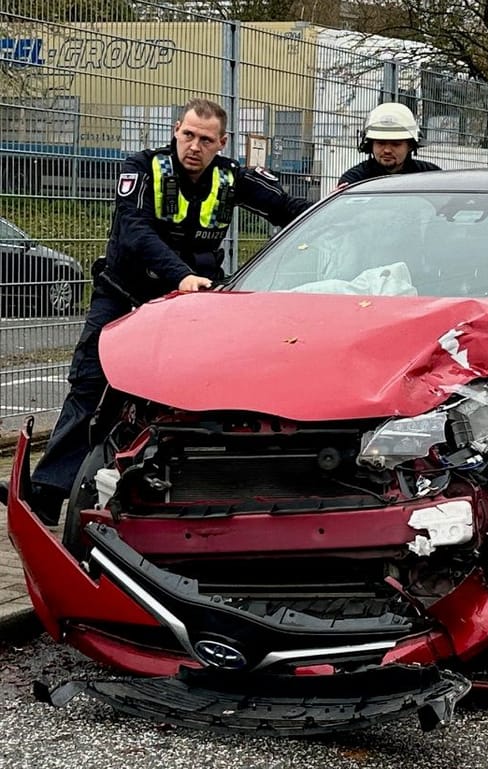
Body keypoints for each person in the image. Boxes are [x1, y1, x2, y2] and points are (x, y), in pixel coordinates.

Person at [16, 98, 312, 524]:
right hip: (124, 295)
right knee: (90, 386)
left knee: (191, 395)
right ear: (176, 130)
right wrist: (181, 274)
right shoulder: (142, 168)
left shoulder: (232, 178)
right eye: (188, 134)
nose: (194, 146)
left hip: (188, 307)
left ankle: (181, 492)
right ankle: (47, 495)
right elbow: (134, 229)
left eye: (206, 140)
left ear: (221, 143)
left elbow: (291, 211)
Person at [338, 102, 440, 187]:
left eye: (396, 144)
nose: (387, 150)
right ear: (370, 145)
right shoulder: (355, 180)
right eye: (380, 143)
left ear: (410, 146)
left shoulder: (431, 176)